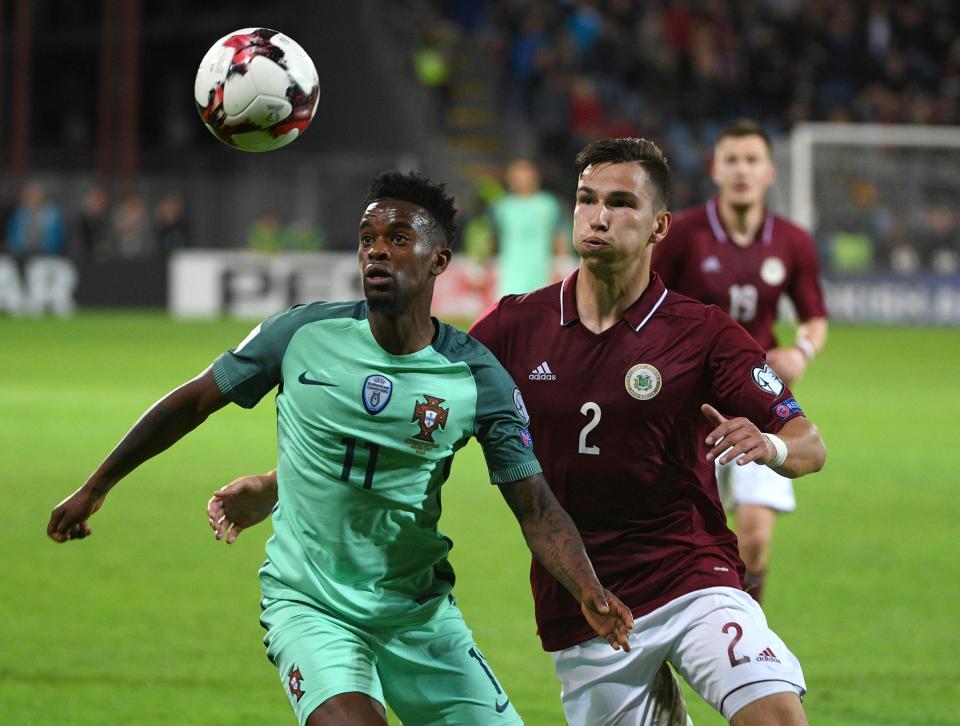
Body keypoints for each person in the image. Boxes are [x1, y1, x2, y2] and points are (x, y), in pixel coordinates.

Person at [215, 141, 827, 725]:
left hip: (691, 576)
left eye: (621, 203)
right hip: (580, 602)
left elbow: (808, 443)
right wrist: (278, 484)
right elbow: (418, 415)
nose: (598, 216)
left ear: (659, 226)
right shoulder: (516, 325)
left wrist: (770, 445)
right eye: (587, 199)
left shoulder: (702, 332)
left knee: (773, 713)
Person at [46, 171, 633, 726]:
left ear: (439, 261)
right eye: (367, 239)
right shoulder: (301, 334)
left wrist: (588, 587)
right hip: (311, 605)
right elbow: (194, 401)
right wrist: (96, 487)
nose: (376, 251)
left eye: (398, 239)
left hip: (419, 613)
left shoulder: (475, 376)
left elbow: (533, 505)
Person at [653, 119, 829, 604]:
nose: (741, 170)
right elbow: (646, 302)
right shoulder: (684, 233)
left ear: (770, 172)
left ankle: (748, 639)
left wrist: (801, 351)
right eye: (731, 160)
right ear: (715, 168)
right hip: (685, 402)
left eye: (751, 160)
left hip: (756, 399)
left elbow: (815, 317)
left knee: (753, 537)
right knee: (678, 537)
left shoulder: (792, 241)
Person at [490, 158, 569, 296]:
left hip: (541, 274)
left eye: (525, 174)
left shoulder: (549, 204)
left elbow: (559, 234)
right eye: (515, 176)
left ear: (535, 177)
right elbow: (493, 238)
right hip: (510, 275)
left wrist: (562, 261)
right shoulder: (502, 207)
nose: (520, 179)